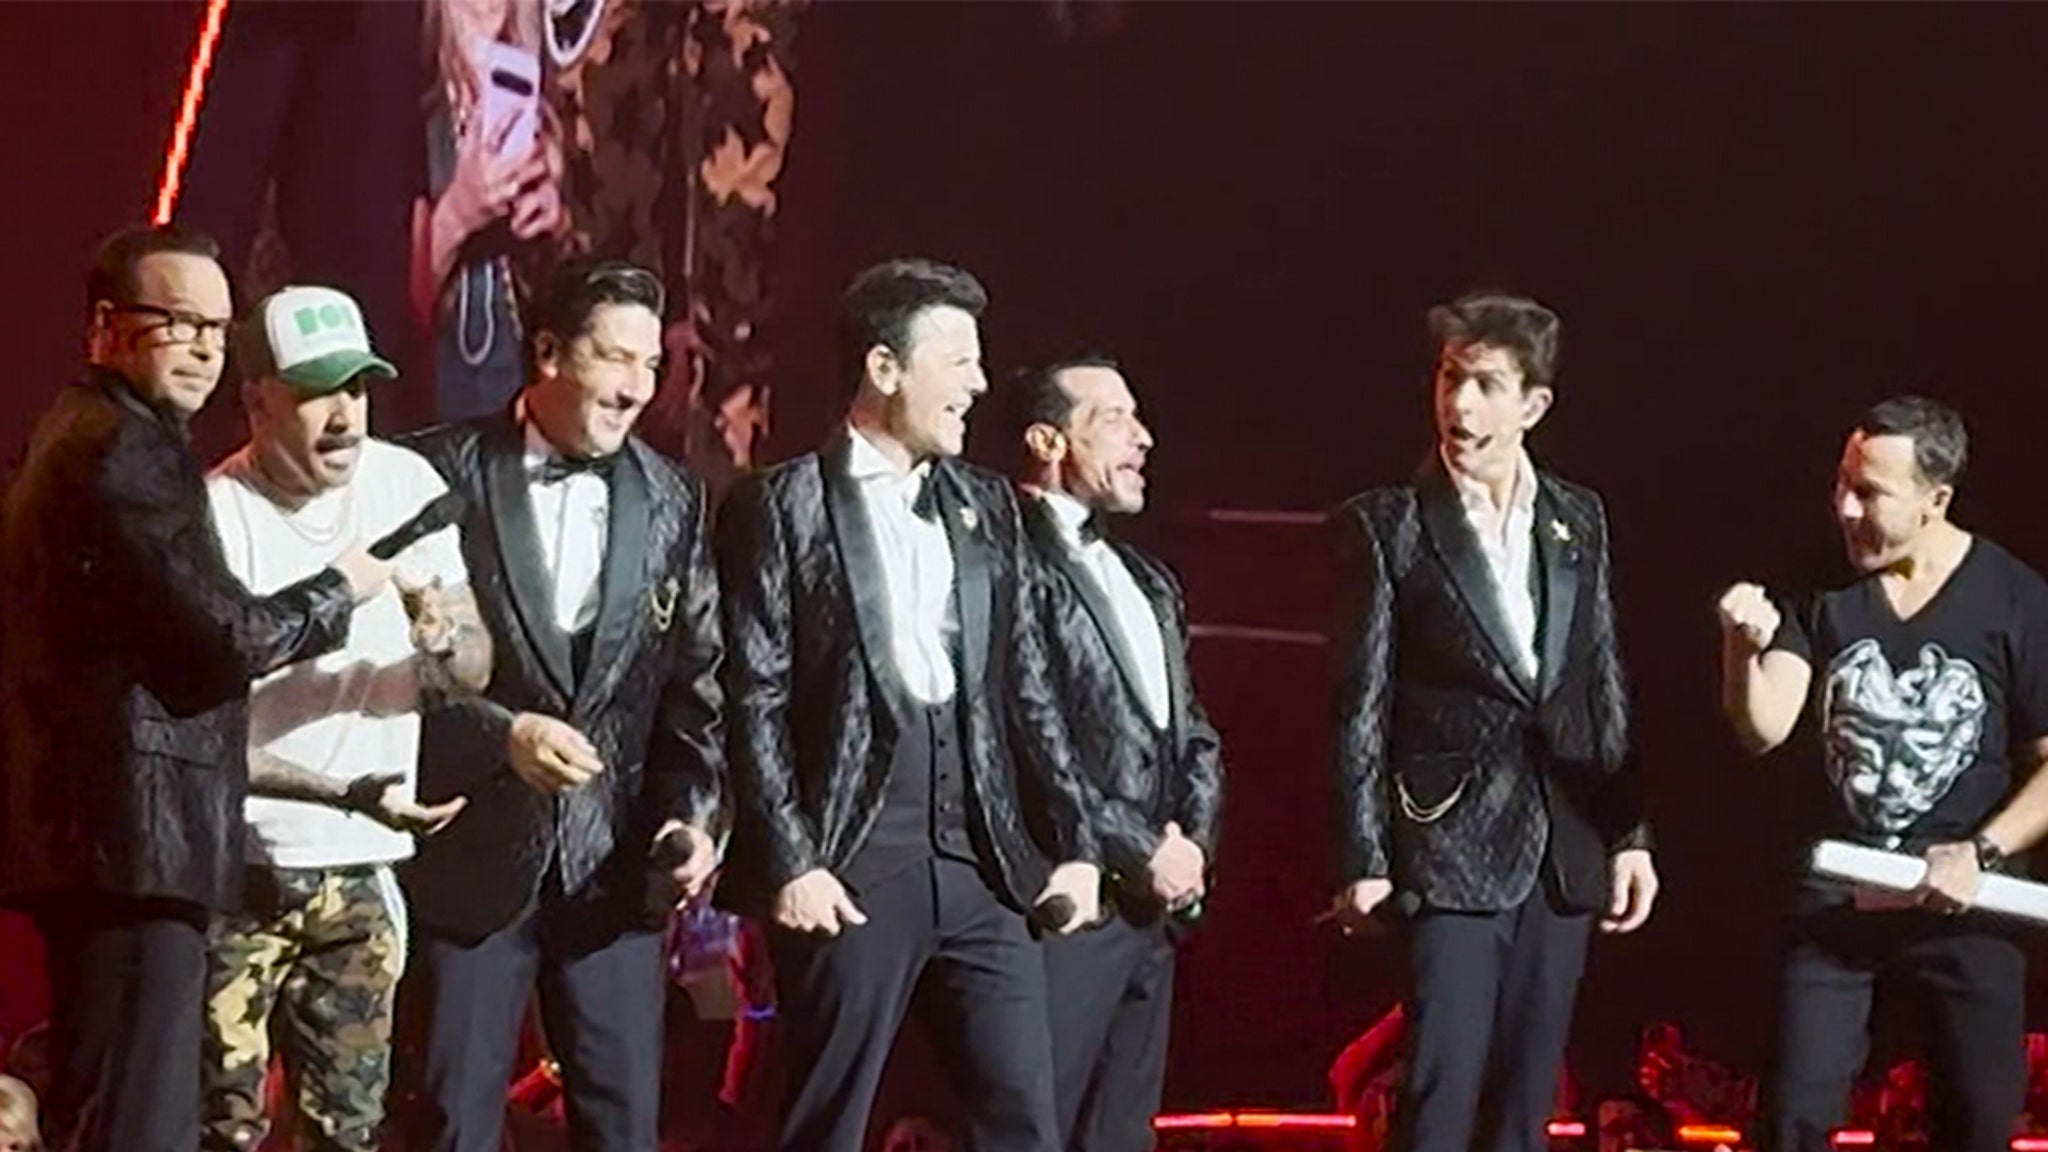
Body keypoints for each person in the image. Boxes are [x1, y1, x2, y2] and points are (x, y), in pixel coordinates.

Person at [0, 225, 387, 1152]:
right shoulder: (124, 450)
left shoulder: (88, 434)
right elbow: (224, 637)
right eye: (178, 322)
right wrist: (341, 589)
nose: (205, 348)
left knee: (111, 1103)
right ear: (106, 327)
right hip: (136, 847)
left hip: (109, 846)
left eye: (218, 328)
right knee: (141, 1119)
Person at [715, 257, 1103, 1152]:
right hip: (852, 862)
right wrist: (793, 860)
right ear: (884, 368)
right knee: (826, 1121)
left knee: (1024, 1122)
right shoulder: (783, 504)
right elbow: (753, 695)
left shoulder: (988, 506)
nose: (979, 383)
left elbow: (1028, 688)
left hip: (982, 867)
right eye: (958, 361)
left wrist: (1077, 844)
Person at [400, 257, 724, 1152]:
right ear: (546, 352)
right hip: (468, 860)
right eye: (614, 358)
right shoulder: (434, 473)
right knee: (449, 1128)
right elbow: (393, 674)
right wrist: (499, 736)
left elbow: (696, 689)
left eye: (650, 364)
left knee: (623, 1131)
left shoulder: (674, 497)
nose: (636, 388)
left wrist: (692, 818)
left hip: (614, 873)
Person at [1327, 292, 1656, 1152]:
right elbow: (1359, 701)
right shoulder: (1389, 524)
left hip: (1564, 845)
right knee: (1440, 1086)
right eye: (1449, 379)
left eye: (1485, 385)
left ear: (1533, 405)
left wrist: (1629, 835)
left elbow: (1600, 680)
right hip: (1449, 843)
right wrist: (1363, 858)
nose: (1460, 404)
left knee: (1528, 1098)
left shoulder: (1578, 517)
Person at [198, 284, 489, 1152]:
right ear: (257, 402)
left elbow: (472, 664)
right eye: (317, 392)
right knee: (222, 1126)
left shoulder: (406, 485)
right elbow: (201, 721)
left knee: (348, 1130)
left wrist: (442, 640)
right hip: (242, 869)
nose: (345, 417)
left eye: (357, 389)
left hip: (363, 869)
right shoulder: (214, 514)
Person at [1718, 395, 2048, 1152]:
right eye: (1842, 482)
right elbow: (1764, 728)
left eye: (1870, 493)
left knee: (1978, 1116)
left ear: (1937, 499)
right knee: (1794, 1114)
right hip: (1841, 896)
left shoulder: (2017, 601)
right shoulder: (1820, 583)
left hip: (1967, 902)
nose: (1845, 507)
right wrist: (1739, 648)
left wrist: (1981, 852)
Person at [1006, 353, 1224, 1151]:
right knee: (1030, 1129)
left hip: (1153, 913)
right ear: (1048, 441)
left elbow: (1193, 731)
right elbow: (1027, 735)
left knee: (1122, 1136)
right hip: (1066, 901)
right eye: (1115, 420)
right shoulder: (1006, 559)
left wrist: (1191, 849)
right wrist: (1138, 850)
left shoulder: (1147, 577)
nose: (1144, 438)